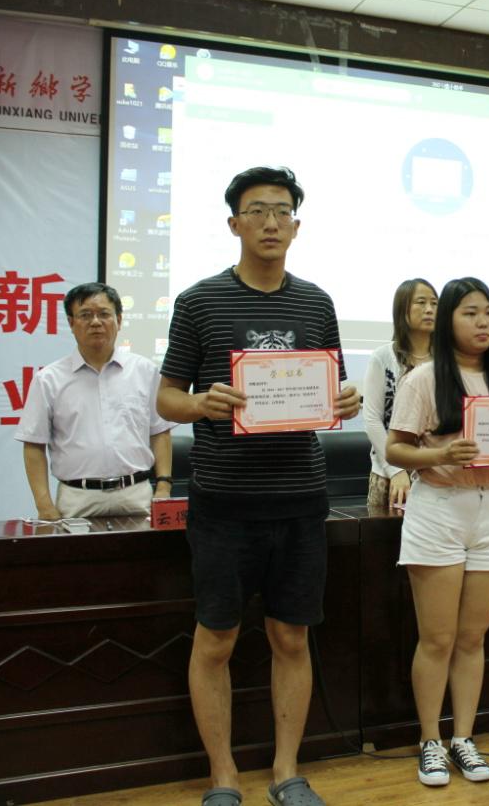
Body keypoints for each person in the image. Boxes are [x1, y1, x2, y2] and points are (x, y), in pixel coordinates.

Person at [157, 166, 360, 806]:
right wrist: (201, 404)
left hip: (300, 498)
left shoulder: (316, 303)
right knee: (216, 639)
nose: (271, 222)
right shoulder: (199, 301)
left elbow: (332, 389)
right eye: (257, 211)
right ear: (234, 223)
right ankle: (223, 776)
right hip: (224, 502)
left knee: (291, 637)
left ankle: (285, 771)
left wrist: (347, 401)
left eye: (281, 211)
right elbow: (166, 397)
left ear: (296, 226)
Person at [385, 277, 489, 787]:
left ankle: (463, 738)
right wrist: (441, 454)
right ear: (448, 319)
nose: (482, 322)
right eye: (470, 312)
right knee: (438, 638)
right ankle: (430, 740)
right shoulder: (423, 379)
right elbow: (395, 449)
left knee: (471, 638)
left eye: (488, 312)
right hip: (439, 509)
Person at [16, 281, 175, 519]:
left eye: (104, 314)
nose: (96, 322)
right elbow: (33, 445)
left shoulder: (144, 371)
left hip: (136, 493)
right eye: (85, 315)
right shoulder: (48, 379)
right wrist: (44, 505)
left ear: (119, 320)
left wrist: (163, 486)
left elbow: (160, 431)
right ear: (71, 323)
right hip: (77, 497)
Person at [362, 278, 438, 508]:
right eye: (421, 302)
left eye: (434, 303)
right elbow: (372, 419)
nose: (429, 309)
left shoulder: (448, 361)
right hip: (390, 476)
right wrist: (395, 469)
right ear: (402, 310)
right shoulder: (383, 357)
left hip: (438, 477)